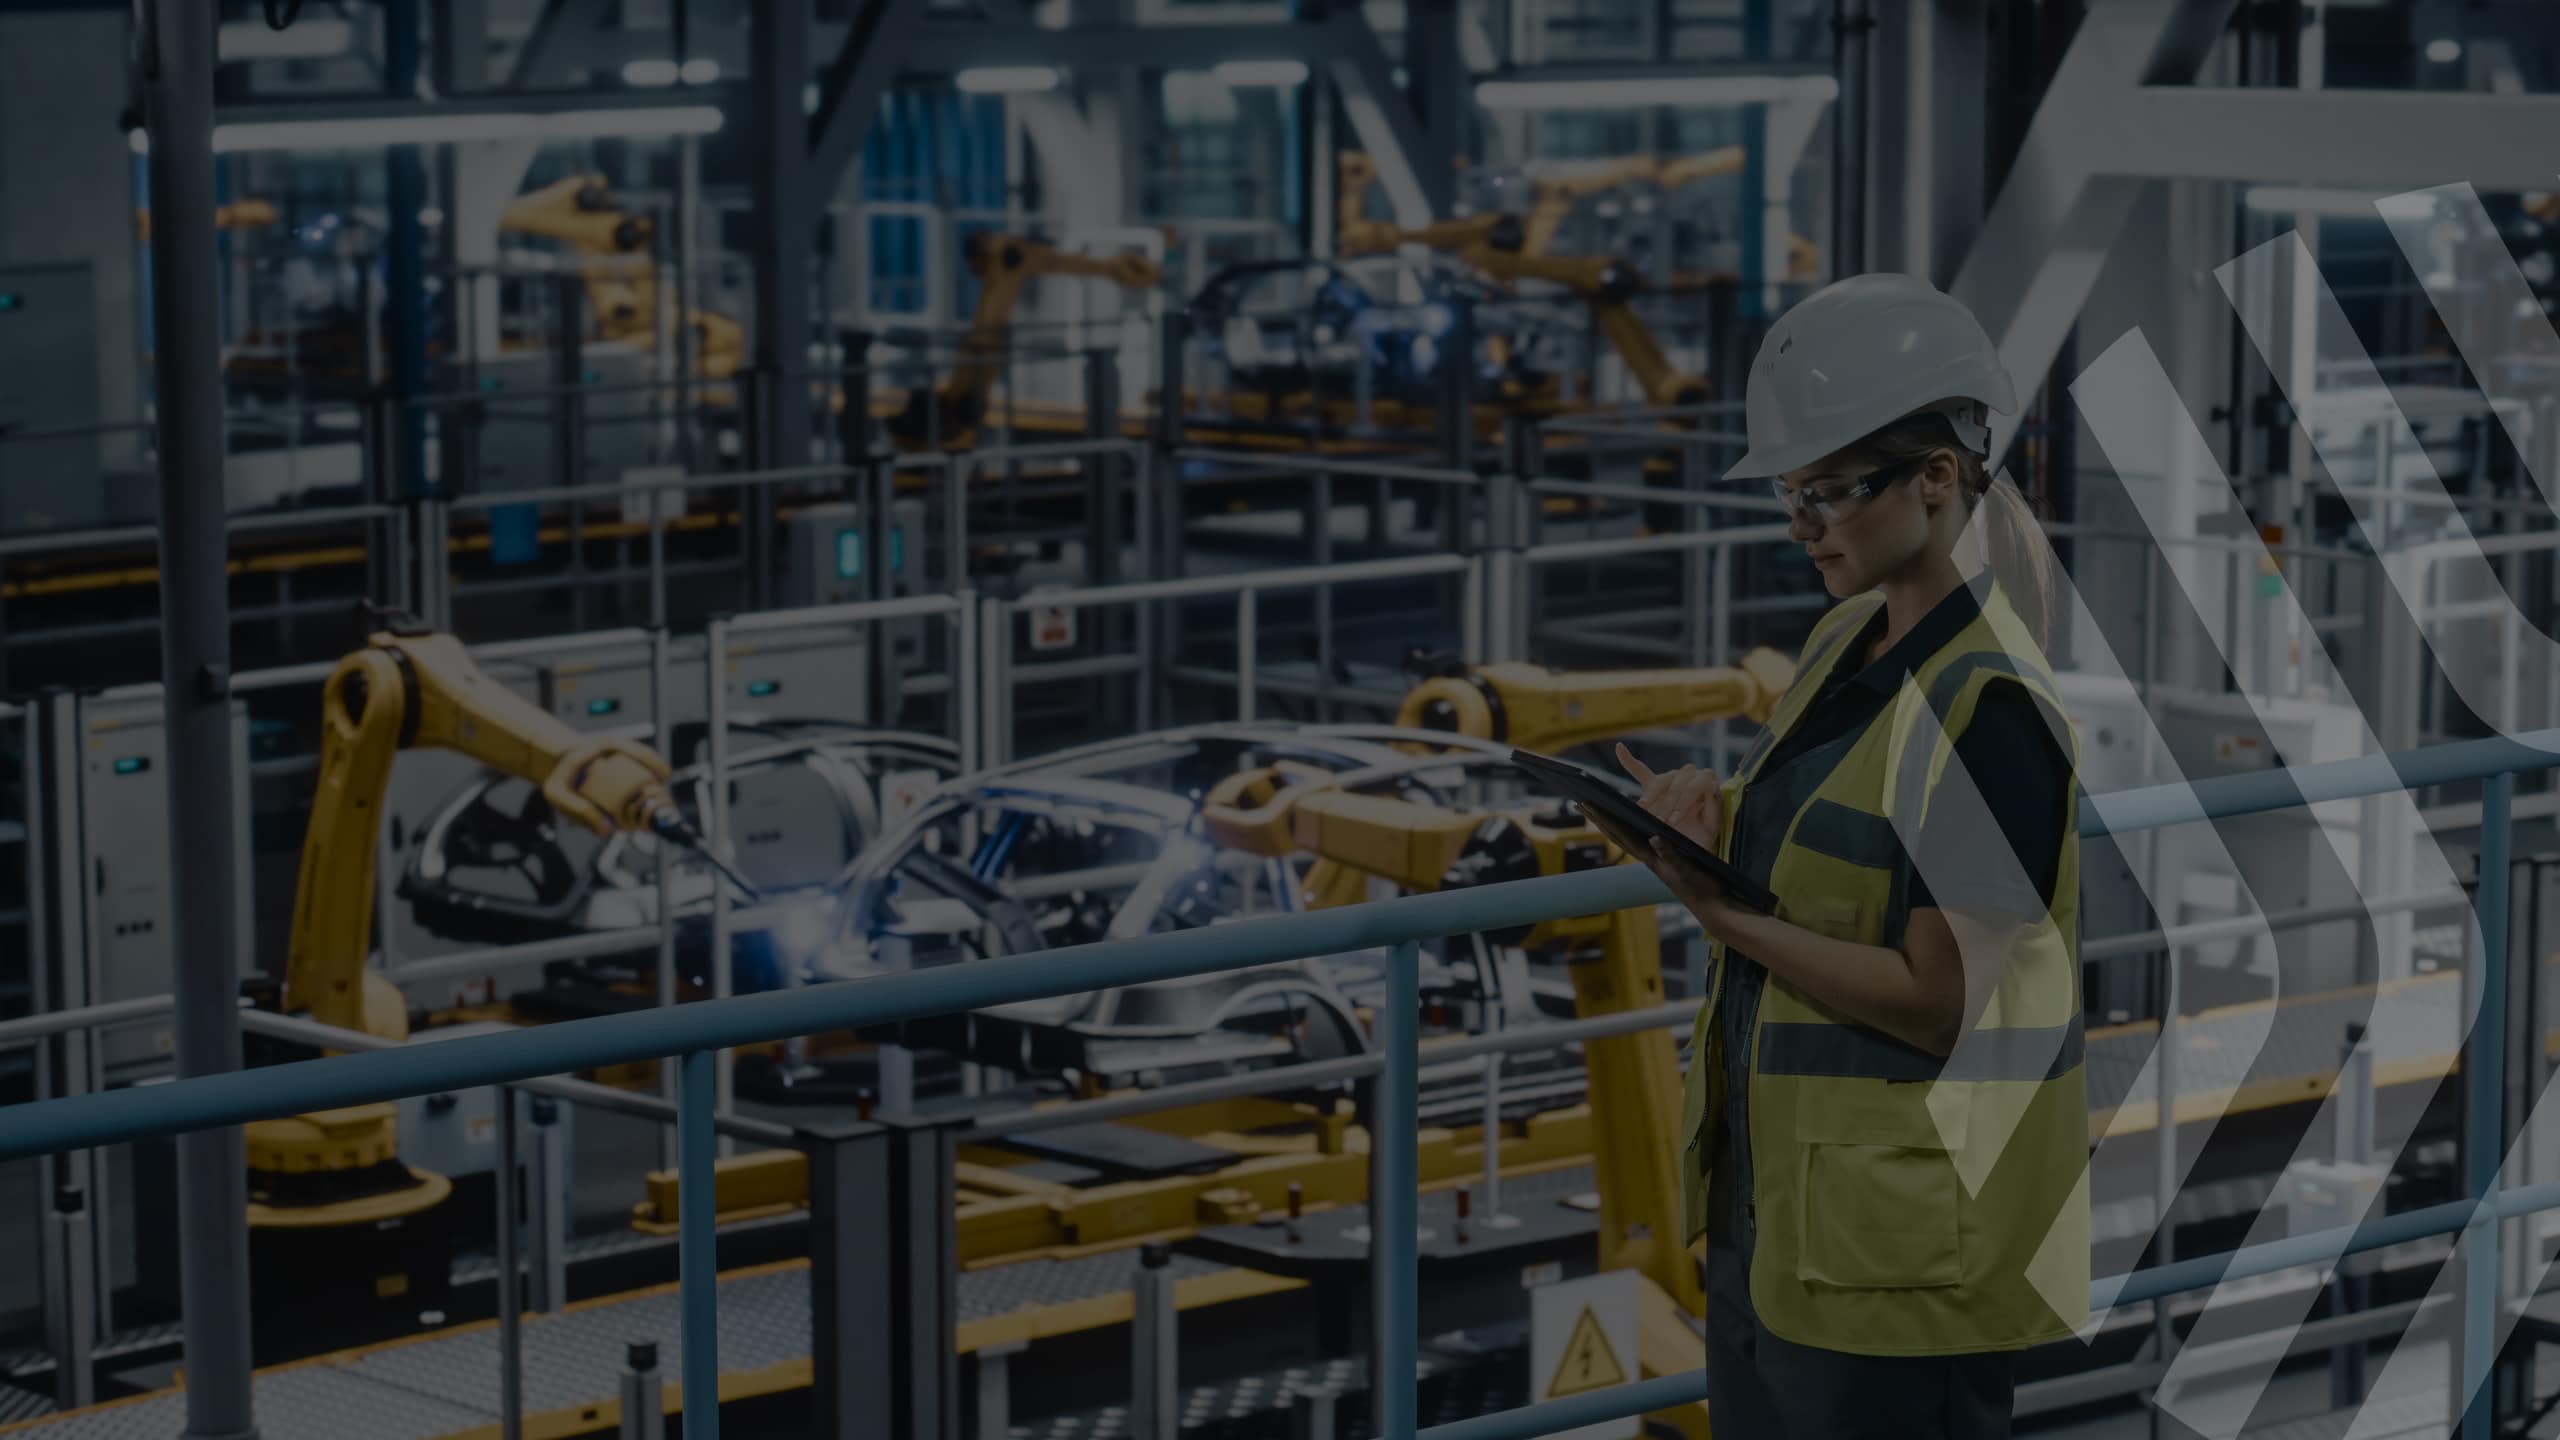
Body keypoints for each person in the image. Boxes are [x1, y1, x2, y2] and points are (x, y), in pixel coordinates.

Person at [1585, 273, 2088, 1439]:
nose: (1800, 523)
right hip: (1790, 1227)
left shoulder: (1990, 709)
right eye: (1789, 492)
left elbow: (1934, 1005)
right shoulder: (1838, 639)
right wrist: (1706, 832)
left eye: (1827, 492)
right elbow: (1819, 868)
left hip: (1904, 1261)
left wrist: (1716, 915)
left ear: (1936, 479)